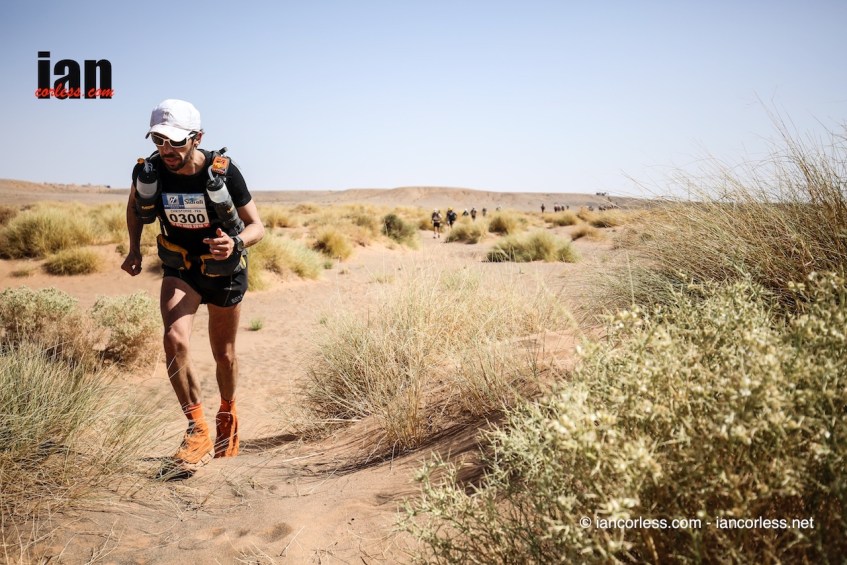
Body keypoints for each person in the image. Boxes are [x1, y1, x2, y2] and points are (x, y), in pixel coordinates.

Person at [121, 99, 265, 475]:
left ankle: (227, 412)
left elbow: (257, 227)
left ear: (197, 138)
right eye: (159, 140)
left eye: (175, 141)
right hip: (180, 267)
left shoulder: (224, 172)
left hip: (223, 270)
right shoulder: (149, 171)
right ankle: (197, 427)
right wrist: (134, 249)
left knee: (224, 355)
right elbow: (134, 207)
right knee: (174, 339)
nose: (166, 149)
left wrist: (236, 243)